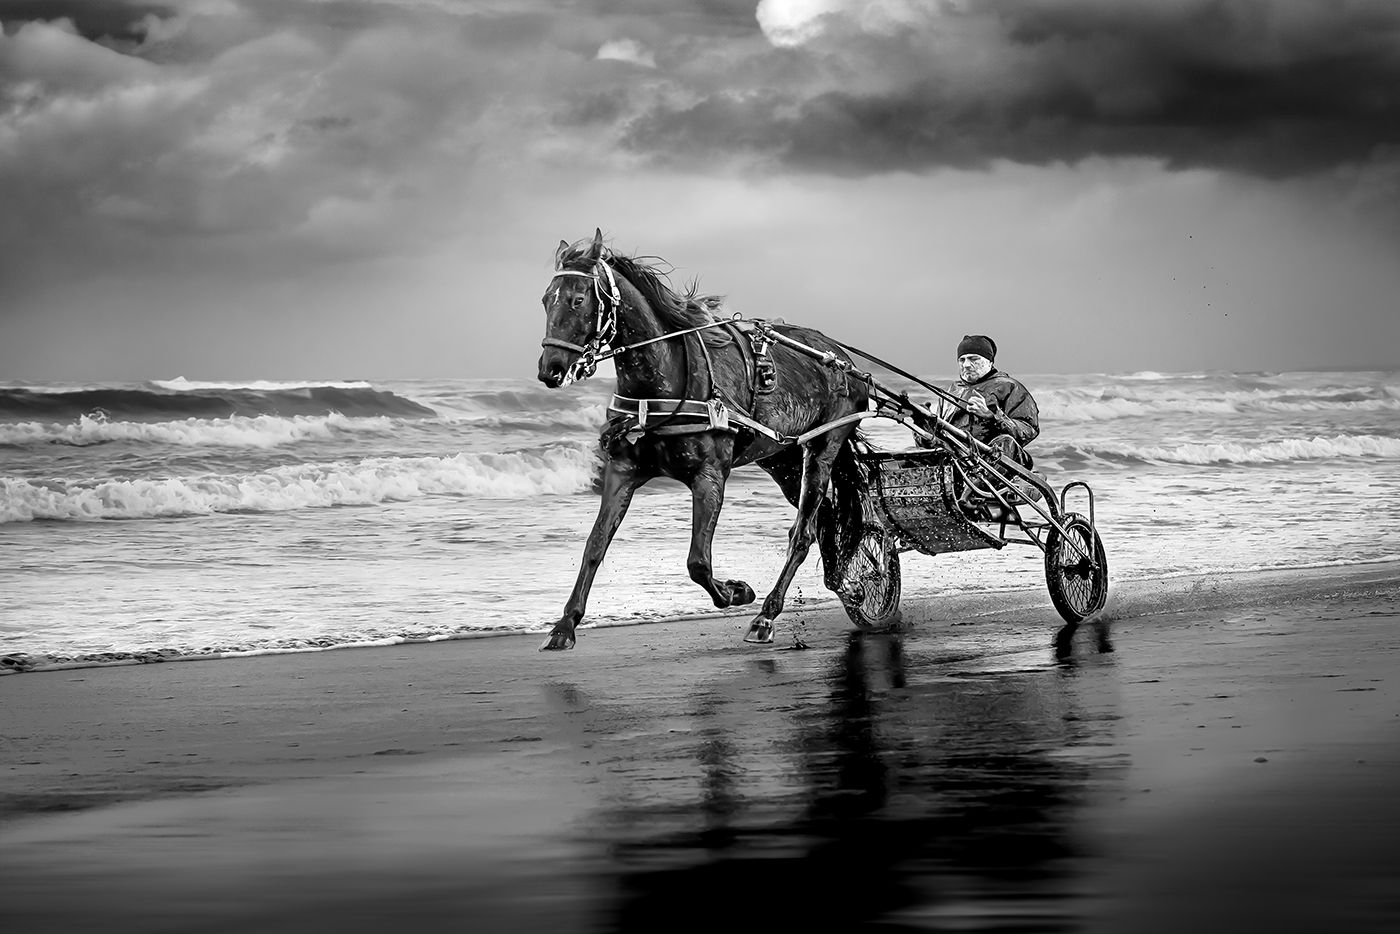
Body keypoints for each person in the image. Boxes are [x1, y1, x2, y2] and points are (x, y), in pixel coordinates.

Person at [918, 334, 1039, 469]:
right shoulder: (951, 392)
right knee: (904, 457)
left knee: (1006, 442)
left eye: (973, 359)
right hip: (956, 460)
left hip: (993, 460)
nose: (967, 365)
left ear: (990, 362)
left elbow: (1029, 430)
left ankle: (975, 488)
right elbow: (939, 440)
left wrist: (993, 417)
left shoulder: (1009, 387)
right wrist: (924, 425)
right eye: (962, 360)